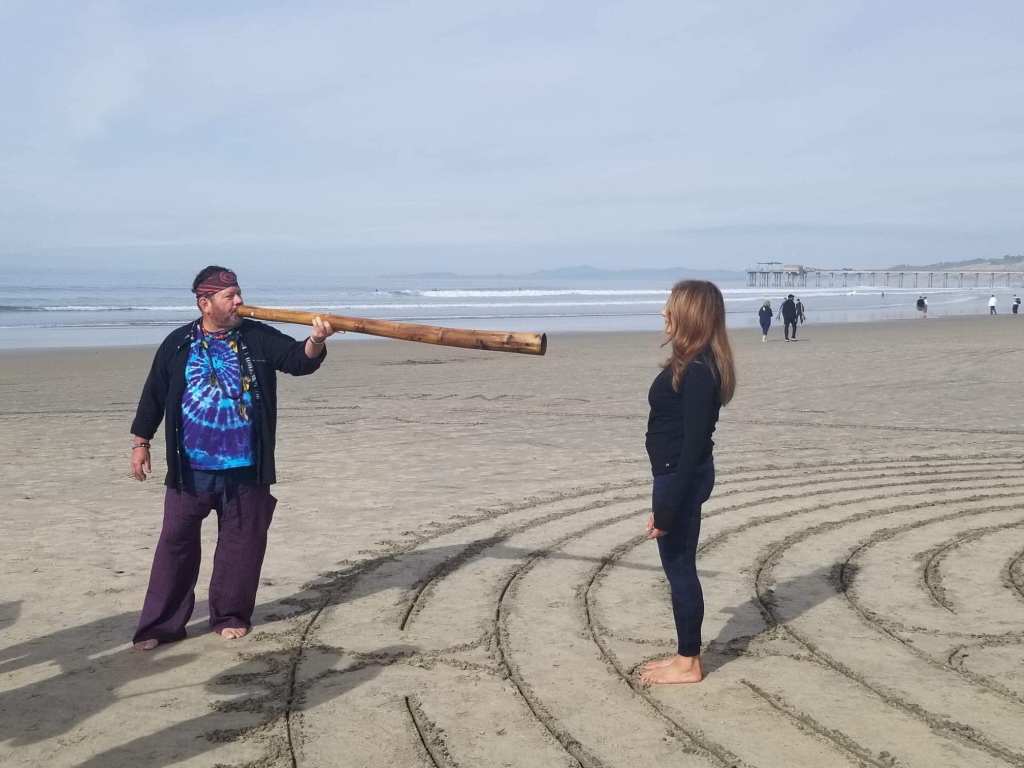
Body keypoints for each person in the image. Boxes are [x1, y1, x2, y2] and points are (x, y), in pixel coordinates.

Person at [129, 266, 339, 650]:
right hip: (189, 469)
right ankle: (160, 626)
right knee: (175, 545)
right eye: (230, 296)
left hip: (246, 468)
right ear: (205, 303)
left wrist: (316, 341)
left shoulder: (256, 337)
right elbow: (154, 394)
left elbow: (298, 360)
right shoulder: (177, 343)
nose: (239, 301)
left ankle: (229, 616)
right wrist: (141, 442)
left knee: (241, 546)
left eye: (239, 293)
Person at [641, 280, 736, 685]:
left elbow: (694, 446)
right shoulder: (692, 364)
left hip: (679, 476)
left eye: (670, 307)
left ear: (689, 316)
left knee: (680, 569)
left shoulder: (698, 371)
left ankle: (689, 663)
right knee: (678, 567)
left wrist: (666, 508)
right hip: (676, 475)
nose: (664, 313)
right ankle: (685, 656)